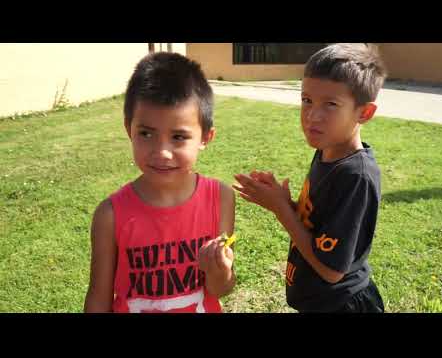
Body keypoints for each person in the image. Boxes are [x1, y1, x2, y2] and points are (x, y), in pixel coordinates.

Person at [233, 43, 387, 312]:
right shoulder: (327, 150)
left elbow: (331, 271)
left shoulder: (355, 177)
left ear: (364, 113)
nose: (312, 116)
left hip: (340, 304)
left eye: (330, 104)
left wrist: (281, 209)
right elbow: (318, 227)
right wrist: (284, 202)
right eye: (307, 100)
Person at [84, 52, 235, 313]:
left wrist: (220, 271)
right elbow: (99, 297)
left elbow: (220, 289)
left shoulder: (221, 198)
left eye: (178, 136)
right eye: (146, 133)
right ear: (128, 129)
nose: (161, 152)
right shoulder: (109, 215)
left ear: (206, 137)